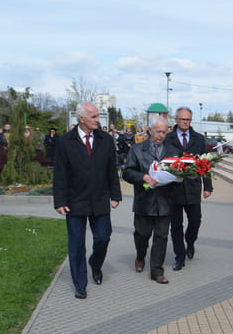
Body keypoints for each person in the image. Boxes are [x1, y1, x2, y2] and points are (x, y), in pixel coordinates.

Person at [53, 103, 122, 299]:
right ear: (81, 118)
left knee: (103, 237)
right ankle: (80, 284)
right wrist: (60, 201)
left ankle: (95, 264)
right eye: (93, 116)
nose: (97, 120)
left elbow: (111, 169)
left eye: (97, 116)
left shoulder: (106, 140)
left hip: (100, 200)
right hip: (74, 201)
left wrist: (115, 195)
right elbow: (60, 174)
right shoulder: (66, 141)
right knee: (76, 244)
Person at [122, 117, 175, 284]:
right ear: (149, 130)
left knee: (162, 236)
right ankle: (140, 256)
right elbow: (127, 173)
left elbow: (179, 171)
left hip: (164, 201)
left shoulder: (172, 151)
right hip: (144, 201)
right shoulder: (137, 150)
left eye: (164, 132)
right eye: (158, 131)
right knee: (142, 234)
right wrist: (143, 176)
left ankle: (157, 271)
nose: (160, 135)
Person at [164, 107, 212, 271]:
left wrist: (208, 186)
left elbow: (205, 162)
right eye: (183, 119)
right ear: (176, 120)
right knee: (176, 224)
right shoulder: (168, 138)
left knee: (195, 220)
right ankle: (180, 256)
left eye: (188, 120)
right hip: (174, 189)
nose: (186, 122)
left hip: (192, 187)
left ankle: (190, 241)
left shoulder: (198, 139)